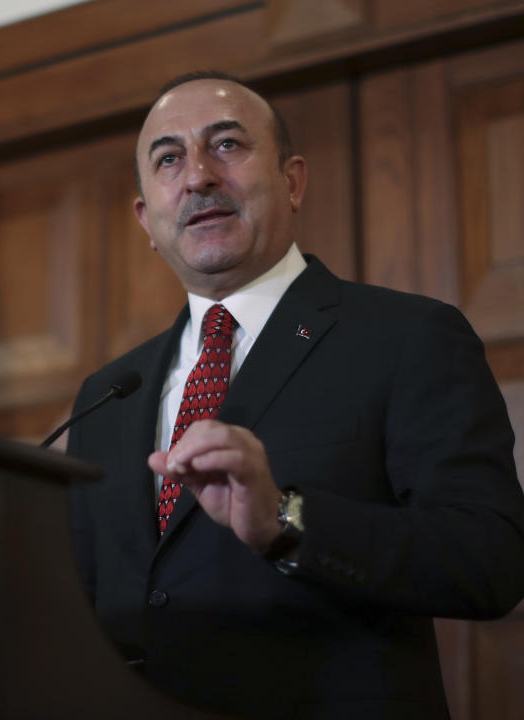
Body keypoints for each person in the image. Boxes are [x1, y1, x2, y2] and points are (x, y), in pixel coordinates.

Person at [66, 71, 524, 720]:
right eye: (169, 159)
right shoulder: (107, 395)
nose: (197, 176)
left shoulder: (407, 338)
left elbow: (490, 561)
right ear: (147, 216)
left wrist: (286, 519)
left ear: (293, 180)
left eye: (226, 145)